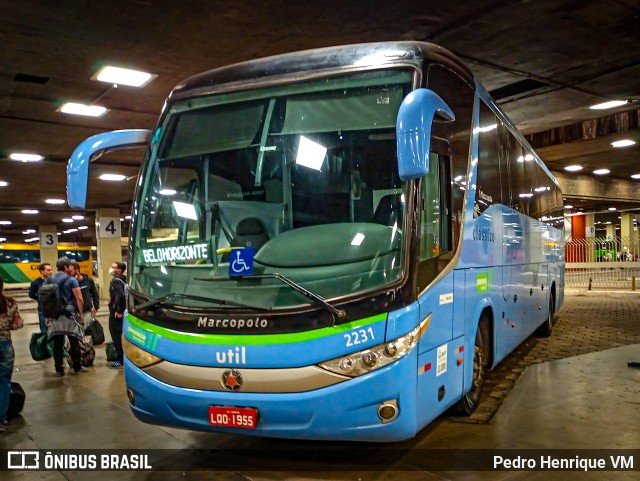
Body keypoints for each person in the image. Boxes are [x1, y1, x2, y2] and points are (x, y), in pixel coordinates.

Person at [47, 257, 87, 376]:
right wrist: (81, 313)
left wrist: (47, 315)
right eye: (69, 266)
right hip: (69, 312)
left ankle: (59, 369)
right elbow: (79, 298)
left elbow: (45, 299)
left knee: (57, 342)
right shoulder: (71, 280)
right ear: (65, 267)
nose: (71, 268)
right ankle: (77, 367)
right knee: (74, 340)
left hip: (54, 314)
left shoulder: (49, 279)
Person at [0, 275, 23, 433]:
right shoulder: (10, 303)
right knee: (3, 382)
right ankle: (1, 420)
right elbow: (18, 324)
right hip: (5, 344)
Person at [108, 262, 127, 369]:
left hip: (116, 313)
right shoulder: (125, 279)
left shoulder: (115, 281)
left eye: (113, 267)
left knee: (116, 336)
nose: (111, 268)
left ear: (119, 270)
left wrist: (119, 310)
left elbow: (120, 296)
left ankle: (121, 360)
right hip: (125, 312)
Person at [28, 263, 53, 333]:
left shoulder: (54, 281)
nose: (51, 272)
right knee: (44, 331)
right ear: (42, 271)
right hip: (43, 311)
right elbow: (31, 294)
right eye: (48, 270)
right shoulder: (36, 283)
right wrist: (39, 299)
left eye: (51, 270)